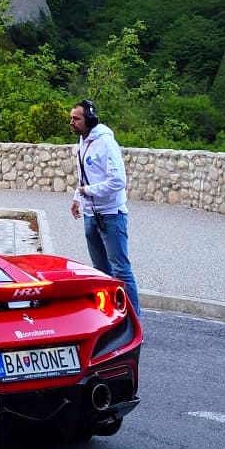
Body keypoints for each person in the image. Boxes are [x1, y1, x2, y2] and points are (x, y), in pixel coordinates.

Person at [69, 99, 141, 311]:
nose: (72, 122)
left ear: (90, 119)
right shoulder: (82, 143)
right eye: (71, 118)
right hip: (91, 215)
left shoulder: (106, 143)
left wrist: (88, 192)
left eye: (76, 118)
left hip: (111, 215)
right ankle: (109, 316)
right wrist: (77, 197)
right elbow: (84, 177)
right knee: (100, 271)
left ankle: (134, 320)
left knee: (121, 270)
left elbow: (118, 181)